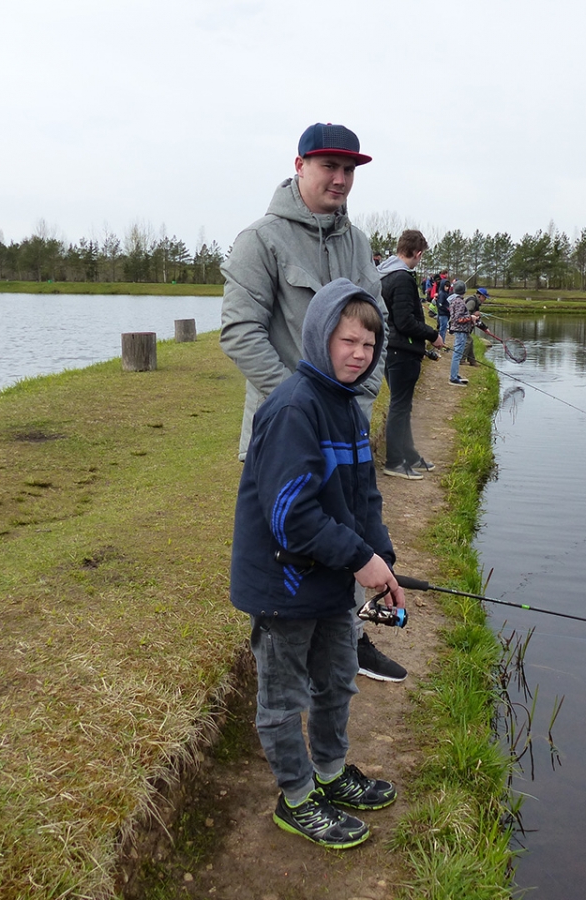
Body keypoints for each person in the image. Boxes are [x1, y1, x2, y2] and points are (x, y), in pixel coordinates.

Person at [220, 121, 407, 683]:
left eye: (349, 169)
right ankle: (281, 673)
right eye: (329, 166)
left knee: (347, 537)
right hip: (285, 436)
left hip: (346, 436)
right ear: (299, 166)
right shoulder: (260, 240)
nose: (341, 179)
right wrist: (302, 410)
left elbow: (377, 327)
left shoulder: (358, 244)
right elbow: (240, 332)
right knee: (289, 546)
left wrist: (353, 405)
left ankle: (349, 642)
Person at [229, 279, 405, 849]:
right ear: (320, 337)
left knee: (336, 681)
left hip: (329, 581)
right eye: (348, 341)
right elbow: (292, 516)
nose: (359, 354)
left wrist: (381, 560)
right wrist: (358, 559)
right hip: (282, 586)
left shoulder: (349, 408)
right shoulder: (293, 409)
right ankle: (297, 797)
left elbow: (364, 499)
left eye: (369, 345)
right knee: (283, 699)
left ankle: (329, 774)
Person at [379, 230, 443, 480]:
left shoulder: (385, 274)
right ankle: (394, 462)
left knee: (403, 405)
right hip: (401, 352)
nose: (420, 259)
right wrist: (433, 335)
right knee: (399, 406)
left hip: (392, 349)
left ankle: (410, 455)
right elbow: (405, 321)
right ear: (417, 253)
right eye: (421, 255)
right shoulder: (402, 278)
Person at [447, 281, 477, 385]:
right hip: (461, 330)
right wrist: (471, 317)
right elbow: (458, 318)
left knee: (458, 353)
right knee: (457, 354)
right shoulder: (459, 302)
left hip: (460, 330)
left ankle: (454, 374)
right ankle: (453, 378)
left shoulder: (454, 300)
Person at [434, 270, 451, 345]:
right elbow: (440, 305)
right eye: (446, 286)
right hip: (443, 314)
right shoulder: (442, 294)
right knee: (442, 329)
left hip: (446, 314)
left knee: (443, 329)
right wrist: (447, 309)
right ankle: (441, 343)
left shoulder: (446, 293)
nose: (447, 287)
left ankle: (442, 342)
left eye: (448, 286)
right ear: (442, 285)